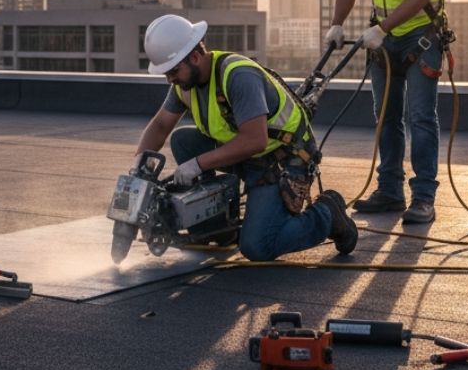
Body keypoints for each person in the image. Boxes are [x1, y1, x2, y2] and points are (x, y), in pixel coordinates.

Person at [133, 14, 357, 260]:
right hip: (245, 151)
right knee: (183, 140)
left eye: (173, 71)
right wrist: (138, 172)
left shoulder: (238, 76)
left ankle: (328, 214)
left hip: (281, 157)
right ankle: (215, 229)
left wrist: (198, 165)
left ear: (195, 57)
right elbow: (160, 126)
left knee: (257, 246)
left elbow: (255, 140)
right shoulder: (184, 83)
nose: (170, 79)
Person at [325, 0, 447, 225]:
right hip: (384, 40)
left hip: (422, 36)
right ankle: (390, 190)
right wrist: (336, 24)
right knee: (385, 117)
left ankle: (423, 197)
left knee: (421, 118)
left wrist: (384, 27)